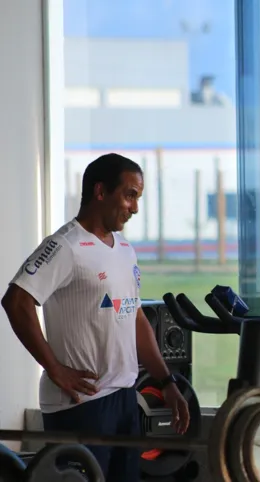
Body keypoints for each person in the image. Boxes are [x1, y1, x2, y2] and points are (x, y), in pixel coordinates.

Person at [1, 153, 190, 482]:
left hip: (124, 399)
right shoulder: (65, 246)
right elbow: (16, 301)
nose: (134, 208)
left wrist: (167, 383)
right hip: (81, 406)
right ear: (100, 191)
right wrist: (55, 368)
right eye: (129, 195)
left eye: (138, 198)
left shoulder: (125, 249)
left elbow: (135, 318)